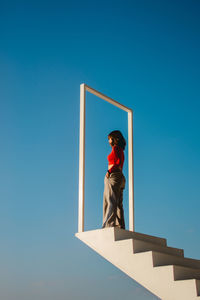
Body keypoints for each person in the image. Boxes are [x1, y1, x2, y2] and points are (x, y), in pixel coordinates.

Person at [102, 130, 126, 229]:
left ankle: (109, 224)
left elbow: (117, 162)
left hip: (114, 175)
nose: (109, 141)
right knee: (118, 202)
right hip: (120, 176)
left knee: (110, 200)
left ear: (114, 139)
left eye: (110, 139)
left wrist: (109, 171)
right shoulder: (120, 150)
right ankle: (120, 225)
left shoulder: (116, 148)